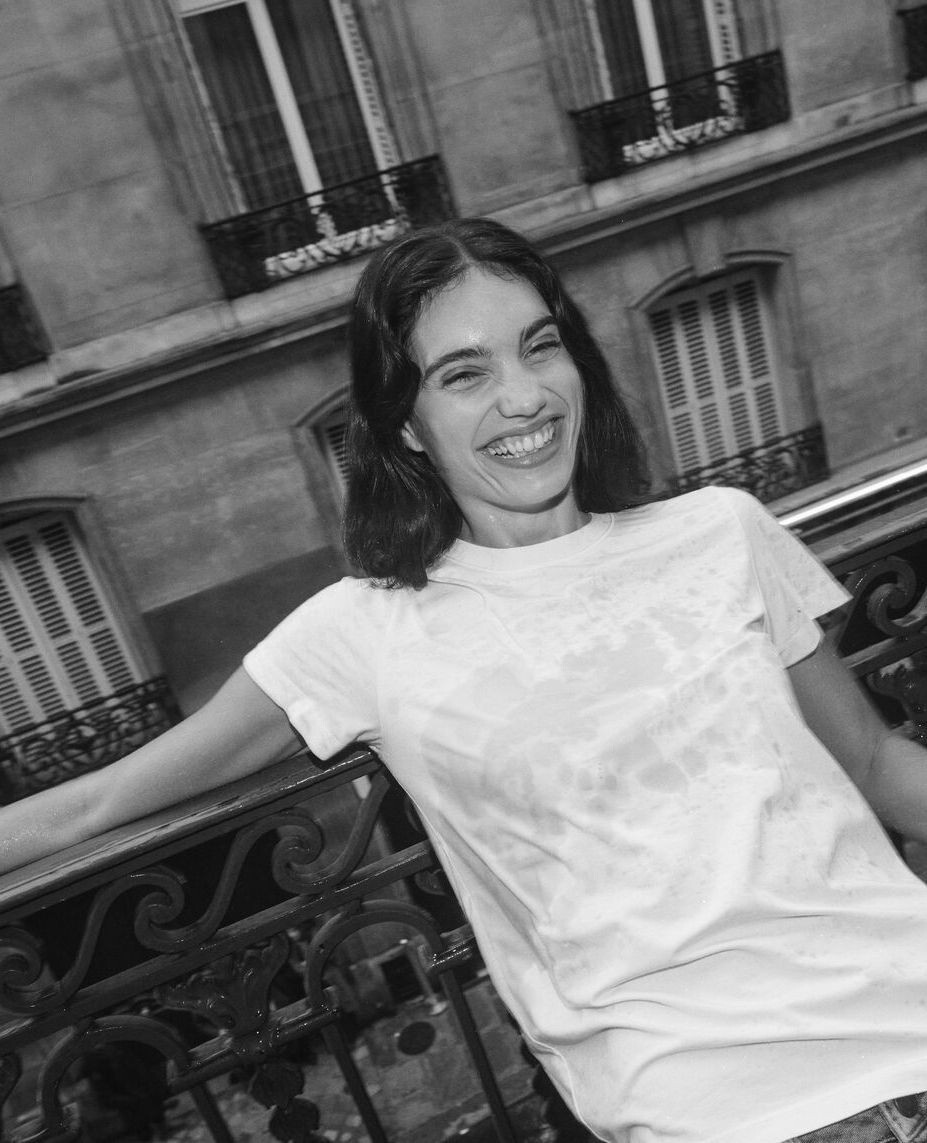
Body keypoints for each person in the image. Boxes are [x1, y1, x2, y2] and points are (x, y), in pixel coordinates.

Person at [3, 218, 927, 1143]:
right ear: (405, 422)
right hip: (736, 1112)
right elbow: (94, 805)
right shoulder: (365, 630)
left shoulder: (722, 528)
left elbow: (873, 760)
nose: (523, 397)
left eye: (540, 347)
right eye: (463, 374)